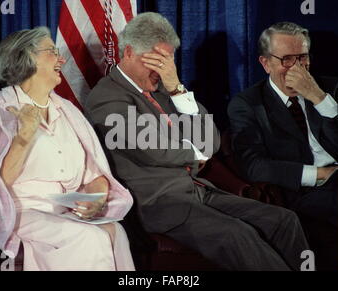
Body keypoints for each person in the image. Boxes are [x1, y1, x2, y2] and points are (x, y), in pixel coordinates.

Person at [87, 12, 310, 271]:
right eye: (159, 60)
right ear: (128, 53)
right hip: (157, 203)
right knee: (236, 235)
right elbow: (153, 150)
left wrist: (177, 90)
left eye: (169, 60)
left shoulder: (165, 90)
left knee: (283, 220)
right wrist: (197, 154)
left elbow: (211, 143)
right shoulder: (107, 98)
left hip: (197, 190)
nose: (165, 70)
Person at [0, 27, 135, 271]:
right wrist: (24, 136)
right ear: (27, 57)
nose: (61, 59)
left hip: (65, 211)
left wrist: (96, 199)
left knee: (115, 232)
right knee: (90, 238)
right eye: (52, 52)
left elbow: (94, 173)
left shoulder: (69, 111)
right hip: (17, 212)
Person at [227, 22, 338, 270]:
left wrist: (319, 98)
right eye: (286, 59)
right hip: (307, 190)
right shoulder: (247, 104)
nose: (297, 68)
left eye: (302, 57)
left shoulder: (330, 88)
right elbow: (252, 165)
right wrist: (318, 174)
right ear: (266, 63)